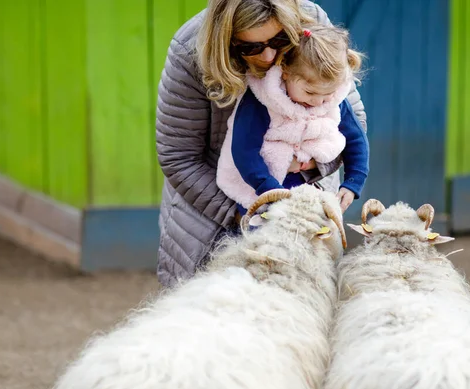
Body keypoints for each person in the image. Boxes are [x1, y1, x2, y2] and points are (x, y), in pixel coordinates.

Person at [155, 0, 368, 287]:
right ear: (226, 39)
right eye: (250, 47)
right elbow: (178, 158)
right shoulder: (189, 50)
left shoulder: (312, 19)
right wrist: (251, 211)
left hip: (303, 215)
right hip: (215, 217)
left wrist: (312, 163)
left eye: (280, 40)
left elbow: (345, 115)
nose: (268, 56)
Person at [216, 23, 369, 215]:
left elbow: (356, 139)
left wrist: (353, 182)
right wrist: (269, 189)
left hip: (307, 186)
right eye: (309, 92)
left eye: (327, 94)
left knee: (317, 235)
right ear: (286, 72)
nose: (318, 101)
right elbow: (244, 149)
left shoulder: (335, 100)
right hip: (258, 187)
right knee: (268, 238)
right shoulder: (263, 100)